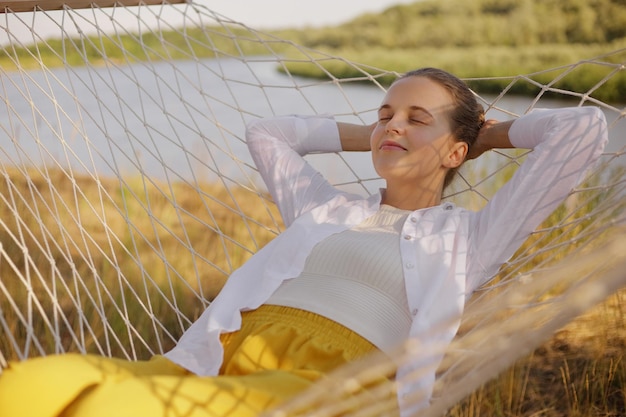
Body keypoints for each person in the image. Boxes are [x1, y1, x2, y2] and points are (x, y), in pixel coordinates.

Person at [0, 68, 608, 417]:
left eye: (417, 118)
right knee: (35, 384)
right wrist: (383, 134)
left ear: (456, 151)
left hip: (333, 387)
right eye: (385, 112)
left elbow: (582, 131)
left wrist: (486, 134)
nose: (393, 122)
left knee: (108, 409)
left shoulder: (470, 236)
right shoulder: (325, 208)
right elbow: (267, 133)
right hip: (223, 356)